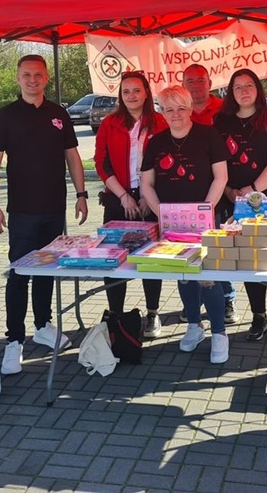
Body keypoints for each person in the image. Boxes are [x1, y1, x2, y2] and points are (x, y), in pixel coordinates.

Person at [0, 54, 89, 375]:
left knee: (48, 271)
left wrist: (81, 195)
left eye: (38, 75)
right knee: (19, 275)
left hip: (54, 208)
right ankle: (14, 340)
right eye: (27, 75)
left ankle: (43, 325)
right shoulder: (5, 116)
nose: (33, 80)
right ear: (17, 78)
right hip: (21, 211)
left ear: (46, 78)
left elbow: (72, 157)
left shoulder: (59, 114)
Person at [140, 85, 231, 363]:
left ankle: (219, 333)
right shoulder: (156, 142)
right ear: (162, 113)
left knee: (207, 277)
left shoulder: (208, 135)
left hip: (204, 219)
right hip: (173, 225)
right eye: (169, 109)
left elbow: (221, 177)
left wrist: (207, 208)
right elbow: (146, 183)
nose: (176, 114)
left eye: (181, 108)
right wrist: (161, 213)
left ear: (190, 109)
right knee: (184, 274)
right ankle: (194, 325)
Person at [214, 69, 267, 346]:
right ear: (231, 93)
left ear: (258, 89)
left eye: (249, 85)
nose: (244, 91)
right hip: (235, 200)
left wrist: (252, 190)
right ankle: (258, 315)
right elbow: (216, 161)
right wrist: (228, 191)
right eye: (237, 87)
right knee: (247, 259)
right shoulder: (221, 121)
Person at [93, 71, 168, 338]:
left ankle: (153, 313)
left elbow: (167, 160)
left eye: (136, 90)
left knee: (152, 259)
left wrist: (149, 197)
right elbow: (101, 162)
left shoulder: (160, 122)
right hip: (117, 198)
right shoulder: (109, 123)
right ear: (120, 96)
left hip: (152, 198)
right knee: (113, 258)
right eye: (126, 91)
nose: (131, 96)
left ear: (146, 93)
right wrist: (124, 196)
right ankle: (116, 314)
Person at [182, 63, 237, 324]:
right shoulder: (180, 113)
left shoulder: (225, 109)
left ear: (210, 81)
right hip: (189, 196)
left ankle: (226, 299)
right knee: (190, 250)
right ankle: (192, 303)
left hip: (223, 190)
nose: (195, 85)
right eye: (190, 81)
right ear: (183, 84)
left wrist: (226, 187)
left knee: (218, 250)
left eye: (200, 80)